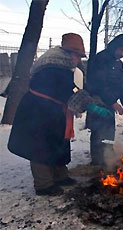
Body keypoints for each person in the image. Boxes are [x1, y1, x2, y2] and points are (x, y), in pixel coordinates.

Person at [8, 33, 89, 196]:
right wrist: (86, 102)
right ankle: (44, 185)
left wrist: (80, 93)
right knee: (41, 147)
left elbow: (71, 87)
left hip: (52, 110)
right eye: (77, 56)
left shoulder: (62, 65)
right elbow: (67, 88)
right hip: (38, 111)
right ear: (67, 53)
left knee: (57, 142)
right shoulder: (54, 66)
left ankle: (60, 176)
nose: (79, 60)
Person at [86, 34, 123, 166]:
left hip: (110, 102)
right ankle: (97, 161)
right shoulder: (101, 58)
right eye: (120, 49)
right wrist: (112, 101)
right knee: (98, 129)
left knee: (109, 131)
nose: (121, 53)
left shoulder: (119, 64)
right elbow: (99, 83)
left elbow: (120, 85)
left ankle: (107, 157)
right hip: (98, 101)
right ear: (114, 47)